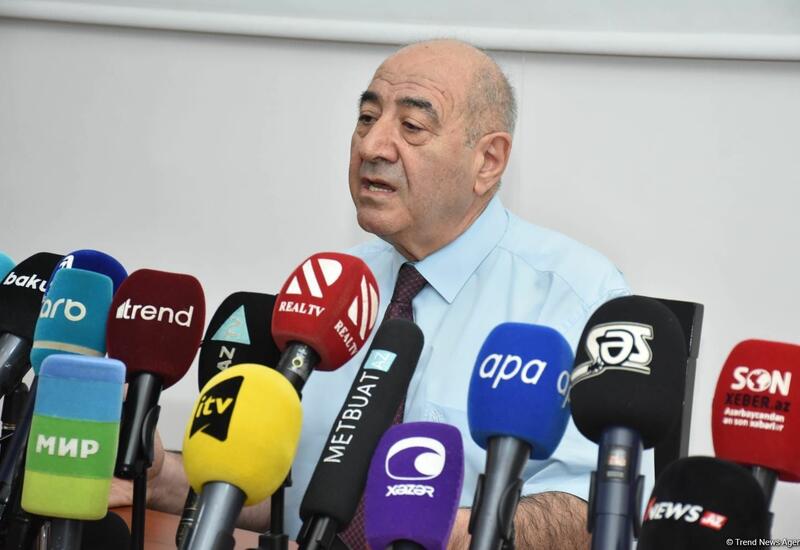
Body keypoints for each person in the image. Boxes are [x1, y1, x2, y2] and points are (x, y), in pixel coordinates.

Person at [112, 39, 653, 549]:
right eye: (367, 118)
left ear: (487, 161)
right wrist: (158, 475)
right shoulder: (333, 289)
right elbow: (285, 501)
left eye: (412, 126)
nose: (372, 146)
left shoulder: (573, 297)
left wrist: (428, 528)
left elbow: (600, 513)